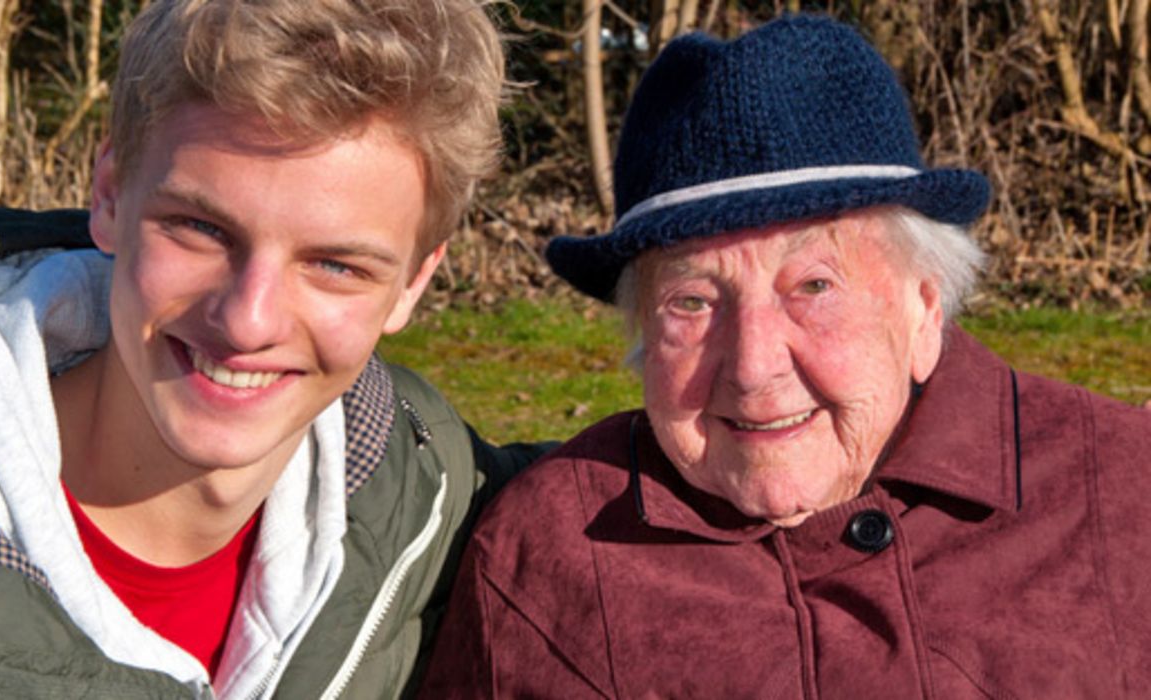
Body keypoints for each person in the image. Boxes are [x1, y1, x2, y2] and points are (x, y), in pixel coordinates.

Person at [0, 1, 545, 697]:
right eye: (200, 228)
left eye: (335, 264)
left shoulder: (429, 500)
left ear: (413, 281)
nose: (247, 320)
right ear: (109, 195)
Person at [422, 14, 1151, 698]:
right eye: (692, 301)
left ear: (924, 309)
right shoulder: (547, 554)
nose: (751, 366)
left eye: (812, 285)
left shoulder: (1120, 494)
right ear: (642, 331)